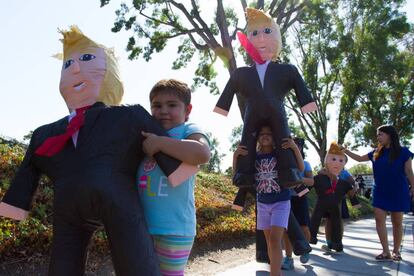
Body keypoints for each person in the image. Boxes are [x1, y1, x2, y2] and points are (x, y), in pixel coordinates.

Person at [0, 26, 197, 275]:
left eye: (85, 58)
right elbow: (30, 165)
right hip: (70, 206)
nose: (74, 68)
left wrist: (180, 164)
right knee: (64, 261)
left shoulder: (130, 115)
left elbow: (169, 152)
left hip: (118, 201)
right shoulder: (45, 133)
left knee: (135, 260)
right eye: (68, 63)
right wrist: (15, 204)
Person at [213, 8, 317, 189]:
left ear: (276, 36)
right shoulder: (241, 73)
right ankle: (244, 175)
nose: (261, 38)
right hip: (251, 112)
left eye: (267, 31)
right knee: (247, 142)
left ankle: (289, 173)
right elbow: (230, 88)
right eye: (254, 33)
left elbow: (299, 84)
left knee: (284, 139)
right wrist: (222, 108)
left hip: (277, 111)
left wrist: (307, 105)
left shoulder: (287, 70)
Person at [137, 79, 210, 275]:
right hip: (141, 226)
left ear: (187, 110)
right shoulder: (144, 134)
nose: (163, 111)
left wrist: (160, 143)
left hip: (174, 229)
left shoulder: (188, 130)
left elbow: (202, 153)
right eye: (157, 105)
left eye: (172, 105)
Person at [342, 125, 414, 261]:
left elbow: (409, 171)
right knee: (379, 220)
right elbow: (358, 158)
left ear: (390, 135)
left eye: (381, 134)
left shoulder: (404, 152)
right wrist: (346, 150)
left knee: (396, 222)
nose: (378, 137)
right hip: (380, 190)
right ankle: (386, 251)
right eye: (377, 135)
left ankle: (396, 251)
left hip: (398, 190)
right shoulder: (376, 152)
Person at [234, 125, 291, 276]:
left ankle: (275, 274)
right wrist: (235, 156)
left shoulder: (280, 155)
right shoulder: (254, 157)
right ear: (257, 137)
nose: (265, 136)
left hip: (281, 201)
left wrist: (295, 148)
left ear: (274, 137)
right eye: (262, 133)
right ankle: (276, 272)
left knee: (274, 241)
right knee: (269, 243)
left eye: (269, 134)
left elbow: (297, 167)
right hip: (263, 203)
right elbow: (238, 177)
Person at [309, 142, 354, 253]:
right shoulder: (322, 173)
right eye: (334, 159)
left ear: (344, 162)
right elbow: (314, 181)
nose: (337, 163)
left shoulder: (345, 174)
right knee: (328, 221)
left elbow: (352, 186)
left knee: (338, 221)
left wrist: (353, 193)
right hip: (325, 199)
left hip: (338, 200)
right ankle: (329, 243)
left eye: (341, 160)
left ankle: (337, 242)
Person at [282, 138, 314, 270]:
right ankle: (288, 259)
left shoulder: (306, 164)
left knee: (304, 227)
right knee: (286, 230)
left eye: (298, 145)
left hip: (300, 198)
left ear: (301, 147)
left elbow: (311, 182)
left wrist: (297, 179)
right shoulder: (282, 162)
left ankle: (305, 249)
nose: (295, 147)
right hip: (284, 199)